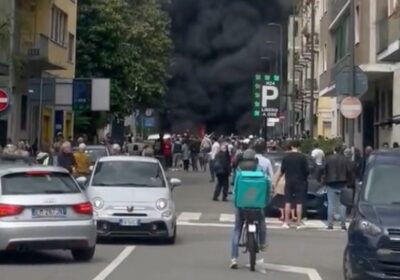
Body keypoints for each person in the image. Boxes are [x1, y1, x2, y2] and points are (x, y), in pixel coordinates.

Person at [230, 148, 269, 269]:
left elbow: (235, 189)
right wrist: (266, 201)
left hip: (241, 206)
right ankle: (262, 243)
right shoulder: (260, 170)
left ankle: (234, 258)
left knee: (237, 228)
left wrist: (236, 202)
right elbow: (267, 187)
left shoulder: (239, 171)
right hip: (257, 206)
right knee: (262, 222)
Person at [275, 140, 309, 229]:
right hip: (300, 181)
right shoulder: (303, 157)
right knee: (299, 202)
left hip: (289, 180)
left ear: (291, 146)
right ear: (299, 147)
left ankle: (286, 222)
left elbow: (282, 171)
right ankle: (298, 222)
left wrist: (276, 181)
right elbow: (307, 171)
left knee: (287, 201)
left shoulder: (286, 157)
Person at [322, 144, 353, 230]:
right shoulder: (345, 160)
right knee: (342, 204)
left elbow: (322, 168)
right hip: (343, 182)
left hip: (330, 182)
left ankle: (330, 224)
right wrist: (350, 182)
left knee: (331, 203)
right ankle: (343, 224)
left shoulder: (329, 158)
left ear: (334, 150)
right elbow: (350, 171)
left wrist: (322, 180)